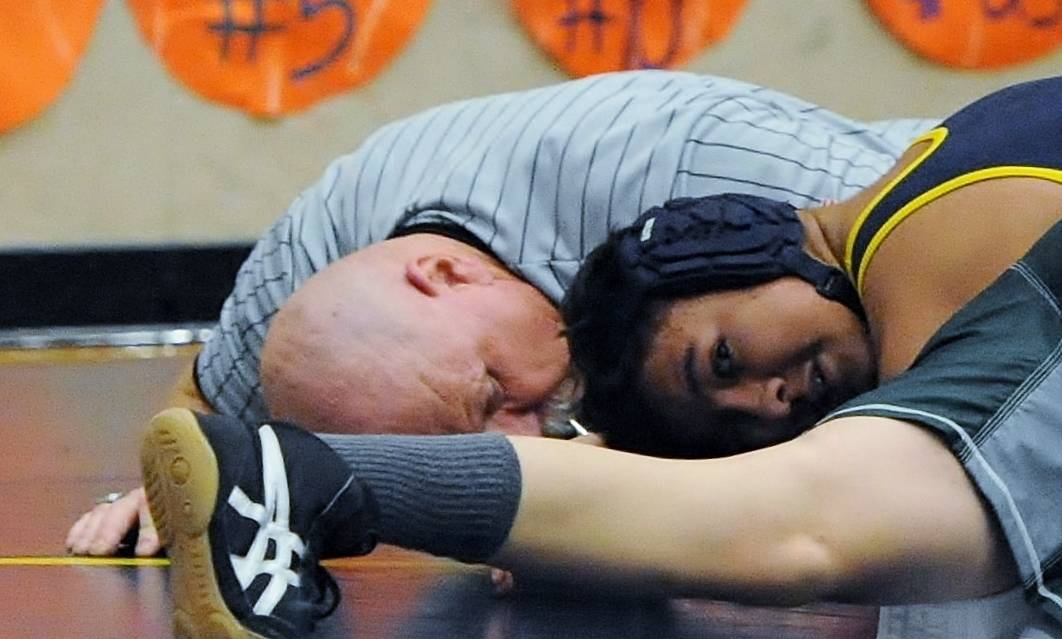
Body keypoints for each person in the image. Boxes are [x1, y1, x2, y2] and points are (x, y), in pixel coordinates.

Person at [137, 75, 1062, 639]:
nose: (772, 402)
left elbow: (811, 527)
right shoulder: (949, 169)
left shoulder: (887, 240)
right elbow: (208, 388)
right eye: (731, 422)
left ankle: (307, 481)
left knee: (826, 527)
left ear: (750, 251)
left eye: (722, 360)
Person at [67, 70, 933, 557]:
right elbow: (205, 414)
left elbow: (944, 233)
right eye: (463, 446)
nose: (522, 446)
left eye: (492, 396)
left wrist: (605, 496)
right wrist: (189, 484)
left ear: (448, 274)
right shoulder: (309, 271)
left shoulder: (688, 162)